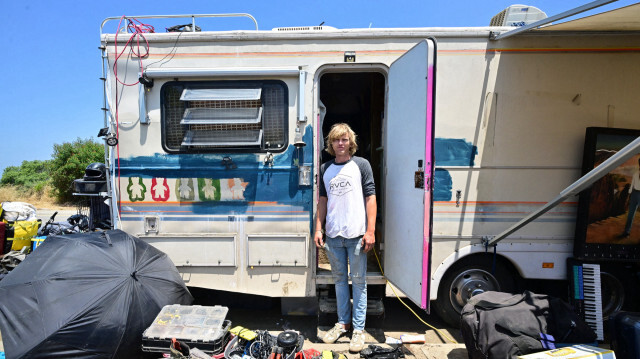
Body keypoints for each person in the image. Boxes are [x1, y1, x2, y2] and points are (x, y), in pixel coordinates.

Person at [314, 123, 376, 352]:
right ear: (330, 144)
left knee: (359, 282)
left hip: (357, 234)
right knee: (339, 281)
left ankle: (358, 330)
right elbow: (322, 201)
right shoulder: (325, 168)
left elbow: (371, 198)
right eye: (336, 140)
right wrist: (318, 229)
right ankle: (343, 323)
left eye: (345, 139)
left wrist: (370, 231)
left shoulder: (361, 165)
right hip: (334, 236)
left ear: (351, 142)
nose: (340, 143)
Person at [621, 157, 640, 238]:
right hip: (634, 193)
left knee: (631, 214)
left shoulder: (636, 173)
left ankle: (627, 232)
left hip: (636, 193)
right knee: (631, 214)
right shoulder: (636, 173)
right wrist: (629, 194)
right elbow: (632, 184)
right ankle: (627, 232)